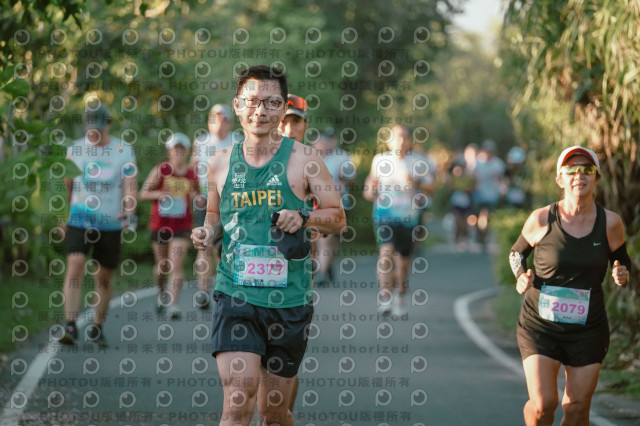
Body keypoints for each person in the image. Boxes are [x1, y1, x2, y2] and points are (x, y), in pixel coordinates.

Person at [191, 65, 346, 426]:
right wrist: (206, 233)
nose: (260, 110)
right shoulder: (218, 163)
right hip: (236, 294)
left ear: (283, 108)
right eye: (251, 101)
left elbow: (338, 218)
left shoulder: (306, 160)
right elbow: (214, 215)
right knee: (237, 398)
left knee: (274, 412)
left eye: (271, 102)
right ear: (238, 106)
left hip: (289, 301)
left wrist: (304, 216)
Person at [510, 145, 631, 426]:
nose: (579, 175)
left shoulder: (610, 223)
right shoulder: (542, 218)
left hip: (588, 329)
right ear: (560, 179)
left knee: (576, 409)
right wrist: (521, 276)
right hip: (540, 326)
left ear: (596, 178)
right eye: (571, 170)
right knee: (544, 405)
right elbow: (517, 253)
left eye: (587, 170)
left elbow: (622, 260)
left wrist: (621, 272)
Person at [58, 104, 137, 347]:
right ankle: (70, 324)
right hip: (79, 217)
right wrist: (61, 218)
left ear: (108, 124)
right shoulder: (75, 149)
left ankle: (97, 326)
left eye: (99, 129)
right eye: (90, 129)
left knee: (103, 277)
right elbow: (66, 186)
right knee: (75, 264)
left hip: (110, 222)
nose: (94, 133)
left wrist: (129, 208)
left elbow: (130, 184)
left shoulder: (123, 151)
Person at [363, 125, 435, 316]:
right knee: (385, 253)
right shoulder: (380, 160)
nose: (400, 141)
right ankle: (385, 298)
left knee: (403, 262)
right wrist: (369, 190)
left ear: (409, 141)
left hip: (409, 218)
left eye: (404, 137)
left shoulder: (417, 162)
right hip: (384, 215)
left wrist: (415, 182)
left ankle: (400, 294)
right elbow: (371, 183)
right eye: (396, 137)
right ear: (388, 141)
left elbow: (431, 187)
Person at [140, 133, 199, 319]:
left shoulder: (192, 174)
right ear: (169, 151)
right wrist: (158, 194)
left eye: (183, 149)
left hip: (182, 225)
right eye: (176, 149)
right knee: (162, 266)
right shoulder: (162, 170)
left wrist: (195, 198)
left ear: (187, 151)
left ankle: (173, 305)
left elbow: (197, 196)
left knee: (176, 265)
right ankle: (161, 292)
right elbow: (143, 193)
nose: (179, 152)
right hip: (160, 224)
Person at [190, 104, 233, 309]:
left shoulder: (238, 141)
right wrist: (193, 193)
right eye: (214, 118)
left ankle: (223, 289)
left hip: (231, 201)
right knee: (204, 243)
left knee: (226, 247)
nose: (219, 123)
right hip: (205, 199)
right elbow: (192, 169)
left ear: (229, 122)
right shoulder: (201, 141)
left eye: (223, 119)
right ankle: (203, 291)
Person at [313, 128, 355, 286]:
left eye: (327, 140)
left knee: (333, 238)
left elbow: (350, 176)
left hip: (338, 203)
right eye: (321, 140)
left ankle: (327, 266)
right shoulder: (310, 156)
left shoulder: (342, 156)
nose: (324, 144)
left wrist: (344, 178)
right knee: (322, 238)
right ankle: (321, 271)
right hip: (316, 204)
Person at [471, 139, 506, 248]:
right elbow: (473, 177)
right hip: (479, 193)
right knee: (477, 215)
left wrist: (502, 189)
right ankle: (479, 235)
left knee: (489, 216)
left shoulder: (498, 164)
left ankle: (486, 235)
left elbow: (501, 179)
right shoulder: (478, 163)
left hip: (492, 194)